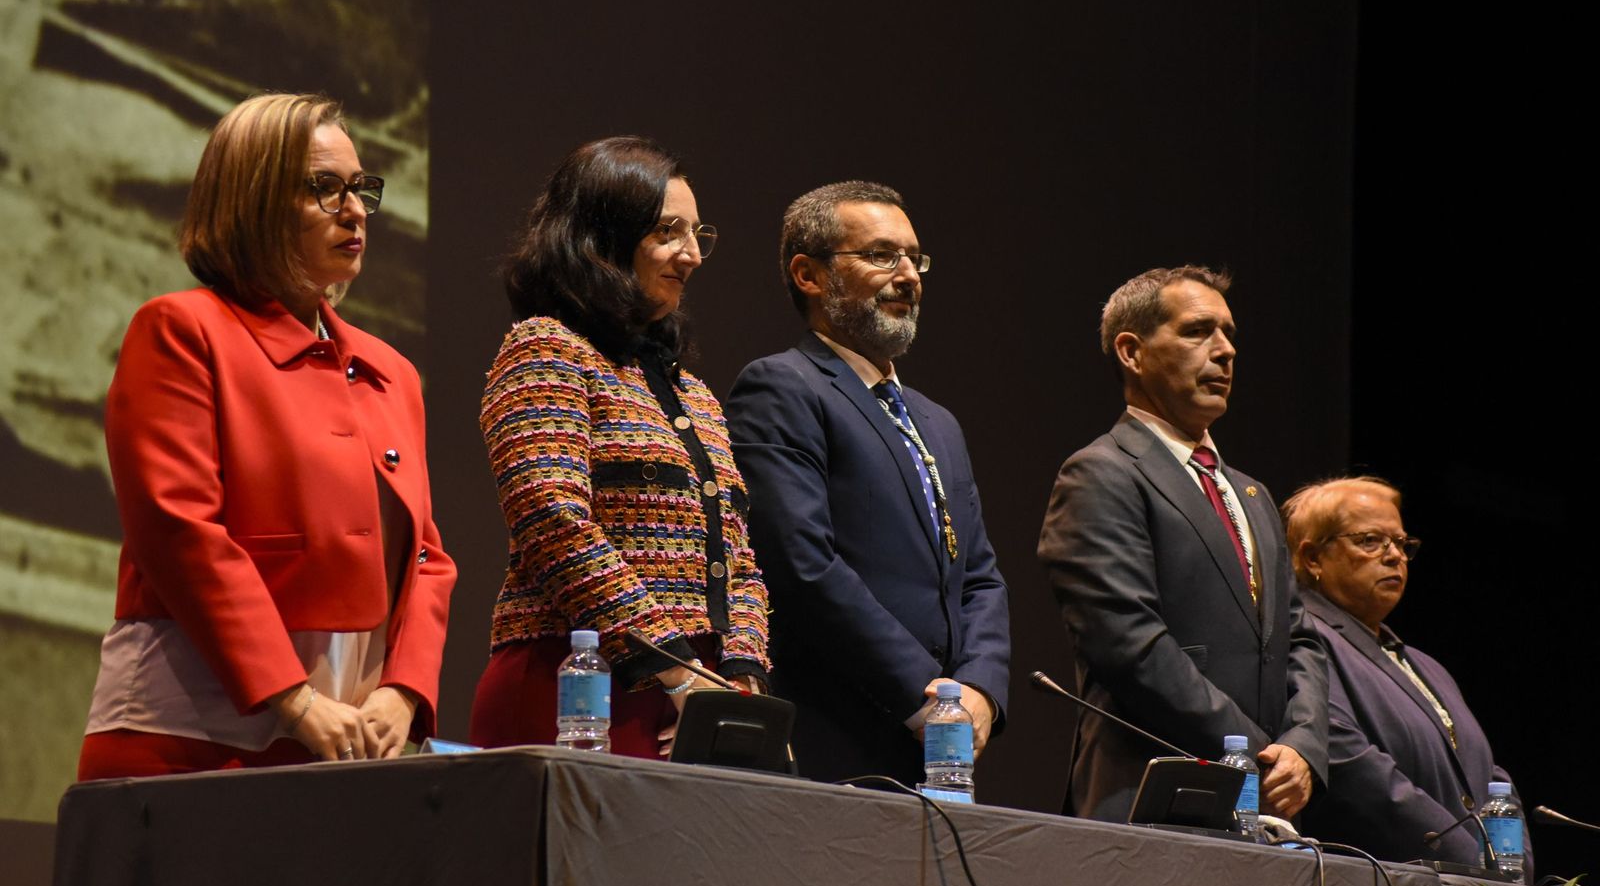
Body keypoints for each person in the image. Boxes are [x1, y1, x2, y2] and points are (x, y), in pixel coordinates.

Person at [79, 93, 455, 779]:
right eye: (324, 187)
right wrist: (294, 700)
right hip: (190, 740)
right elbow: (178, 530)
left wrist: (402, 692)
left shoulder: (391, 372)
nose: (355, 209)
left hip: (349, 746)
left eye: (361, 188)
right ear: (253, 199)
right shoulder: (182, 332)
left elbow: (427, 557)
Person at [469, 137, 769, 758]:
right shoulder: (546, 348)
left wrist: (741, 673)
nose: (693, 255)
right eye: (667, 232)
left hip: (698, 696)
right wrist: (674, 667)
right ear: (601, 239)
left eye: (698, 234)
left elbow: (739, 556)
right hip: (578, 686)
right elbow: (552, 521)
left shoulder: (693, 393)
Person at [726, 181, 1010, 786]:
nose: (908, 276)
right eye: (881, 255)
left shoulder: (938, 421)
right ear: (809, 274)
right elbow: (801, 564)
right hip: (838, 735)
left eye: (914, 258)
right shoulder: (783, 387)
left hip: (943, 747)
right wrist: (926, 698)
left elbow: (980, 576)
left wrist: (981, 690)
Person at [1037, 266, 1327, 822]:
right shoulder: (1102, 473)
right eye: (1197, 331)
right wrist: (1254, 753)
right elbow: (1129, 646)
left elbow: (1300, 638)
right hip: (1150, 796)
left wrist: (1303, 745)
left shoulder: (1252, 493)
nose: (1225, 351)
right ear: (1132, 352)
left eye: (1229, 334)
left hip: (1263, 801)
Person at [1283, 477, 1529, 867]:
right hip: (1384, 881)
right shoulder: (1306, 640)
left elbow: (1491, 775)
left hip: (1471, 883)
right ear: (1313, 557)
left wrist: (1513, 860)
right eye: (1370, 541)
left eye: (1401, 543)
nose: (1394, 556)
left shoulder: (1427, 666)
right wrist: (1474, 861)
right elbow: (1352, 768)